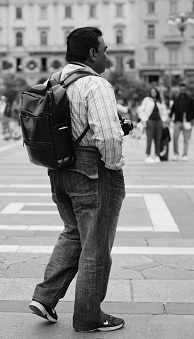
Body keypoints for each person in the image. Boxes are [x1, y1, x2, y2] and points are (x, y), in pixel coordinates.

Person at [29, 26, 126, 333]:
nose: (108, 56)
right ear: (92, 53)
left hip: (58, 170)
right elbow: (108, 136)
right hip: (91, 171)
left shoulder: (53, 81)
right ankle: (88, 316)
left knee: (74, 233)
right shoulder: (96, 86)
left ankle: (45, 298)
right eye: (105, 50)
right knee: (95, 245)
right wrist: (113, 167)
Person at [137, 87, 168, 163]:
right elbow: (141, 110)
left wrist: (164, 120)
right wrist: (145, 119)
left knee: (158, 139)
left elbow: (164, 111)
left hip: (159, 121)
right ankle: (148, 155)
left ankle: (157, 155)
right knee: (149, 139)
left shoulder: (160, 100)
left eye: (154, 92)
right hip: (150, 121)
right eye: (152, 92)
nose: (153, 93)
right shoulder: (147, 100)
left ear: (157, 92)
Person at [169, 83, 194, 161]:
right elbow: (172, 110)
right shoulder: (176, 99)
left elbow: (193, 111)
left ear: (185, 89)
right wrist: (170, 118)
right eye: (181, 89)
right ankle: (176, 153)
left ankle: (185, 154)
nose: (182, 90)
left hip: (186, 121)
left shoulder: (190, 100)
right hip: (177, 121)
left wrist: (192, 120)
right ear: (179, 90)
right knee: (175, 138)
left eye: (184, 89)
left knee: (186, 139)